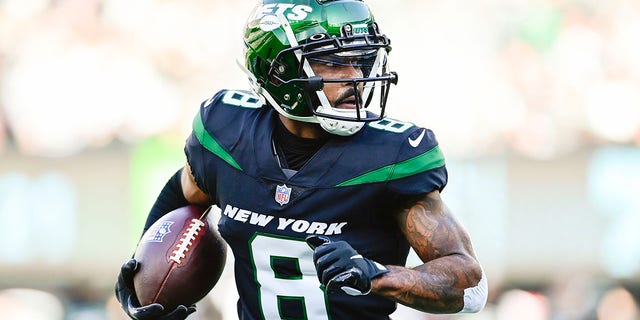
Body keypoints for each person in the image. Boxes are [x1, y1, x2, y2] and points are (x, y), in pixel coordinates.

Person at [115, 0, 488, 319]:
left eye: (360, 59)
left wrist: (375, 274)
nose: (355, 76)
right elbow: (186, 190)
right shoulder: (225, 135)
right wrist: (144, 270)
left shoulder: (390, 156)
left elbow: (471, 288)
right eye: (332, 63)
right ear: (279, 72)